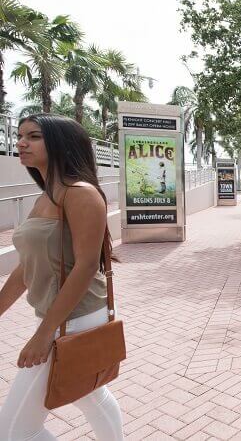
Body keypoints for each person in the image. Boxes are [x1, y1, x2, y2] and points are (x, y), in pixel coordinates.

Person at [0, 114, 124, 440]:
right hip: (64, 316)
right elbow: (27, 266)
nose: (22, 143)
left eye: (34, 137)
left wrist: (44, 334)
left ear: (60, 144)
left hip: (77, 317)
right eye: (21, 136)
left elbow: (85, 266)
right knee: (91, 396)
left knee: (14, 431)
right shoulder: (46, 196)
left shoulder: (79, 193)